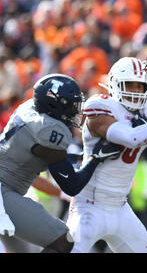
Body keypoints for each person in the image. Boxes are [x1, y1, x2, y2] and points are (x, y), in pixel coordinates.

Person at [66, 57, 147, 253]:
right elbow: (131, 137)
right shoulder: (100, 106)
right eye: (129, 85)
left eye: (140, 86)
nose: (134, 91)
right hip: (89, 206)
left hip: (120, 206)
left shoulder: (145, 107)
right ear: (115, 84)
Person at [0, 74, 121, 253]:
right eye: (71, 106)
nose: (75, 111)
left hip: (5, 189)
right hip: (3, 194)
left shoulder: (29, 110)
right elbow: (72, 185)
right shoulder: (49, 130)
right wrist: (95, 158)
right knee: (63, 241)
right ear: (55, 104)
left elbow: (45, 154)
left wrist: (82, 158)